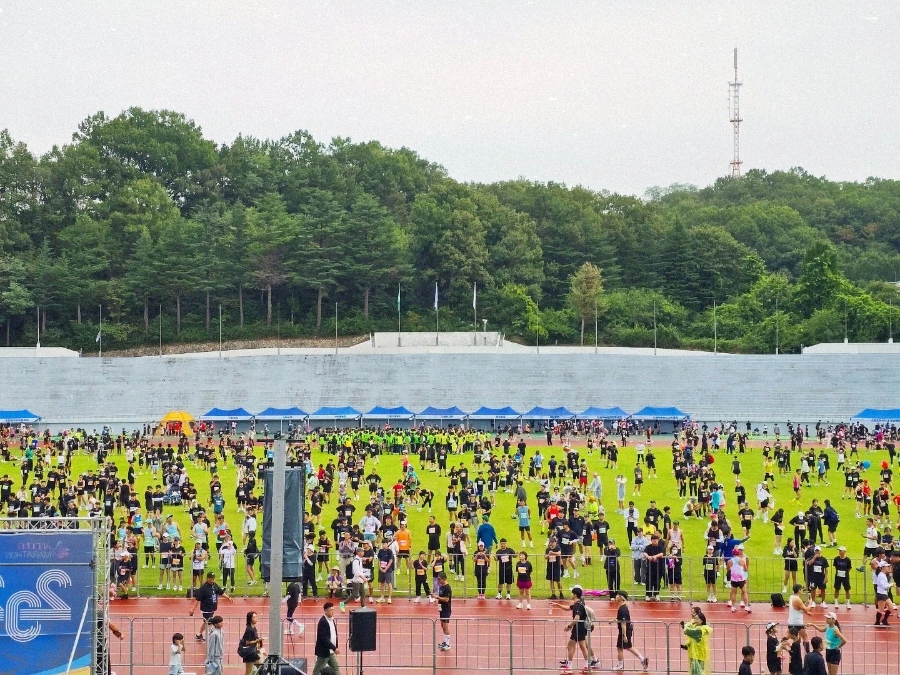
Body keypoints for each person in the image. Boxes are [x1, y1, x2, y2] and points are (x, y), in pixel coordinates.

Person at [550, 586, 598, 671]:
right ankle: (585, 665)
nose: (571, 595)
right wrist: (557, 605)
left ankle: (571, 665)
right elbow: (568, 608)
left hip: (578, 628)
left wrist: (569, 626)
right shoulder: (579, 603)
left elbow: (577, 618)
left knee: (572, 646)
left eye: (572, 593)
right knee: (582, 646)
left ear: (575, 595)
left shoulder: (577, 606)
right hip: (581, 627)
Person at [610, 591, 648, 671]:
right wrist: (614, 620)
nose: (616, 596)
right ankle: (642, 659)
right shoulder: (623, 607)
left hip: (625, 631)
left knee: (619, 647)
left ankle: (620, 665)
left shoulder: (622, 609)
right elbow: (621, 619)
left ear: (621, 597)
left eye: (617, 595)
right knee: (629, 647)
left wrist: (624, 635)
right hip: (627, 630)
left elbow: (623, 623)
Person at [190, 572, 231, 641]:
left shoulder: (215, 585)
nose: (212, 580)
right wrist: (193, 609)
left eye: (213, 578)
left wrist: (228, 597)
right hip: (206, 608)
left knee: (206, 622)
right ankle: (210, 636)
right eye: (211, 578)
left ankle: (199, 634)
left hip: (212, 608)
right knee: (210, 623)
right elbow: (198, 599)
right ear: (207, 578)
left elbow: (221, 592)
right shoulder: (203, 588)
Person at [313, 602, 341, 675]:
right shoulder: (323, 622)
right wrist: (334, 648)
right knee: (317, 671)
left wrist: (334, 647)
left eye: (333, 610)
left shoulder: (332, 620)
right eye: (331, 610)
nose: (333, 612)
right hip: (324, 652)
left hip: (331, 652)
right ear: (325, 611)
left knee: (336, 669)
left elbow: (333, 634)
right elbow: (324, 638)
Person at [683, 607, 711, 675]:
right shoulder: (704, 627)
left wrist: (685, 626)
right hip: (700, 653)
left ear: (701, 620)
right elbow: (692, 639)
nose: (695, 620)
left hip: (697, 654)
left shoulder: (699, 630)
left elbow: (687, 631)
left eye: (697, 619)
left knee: (696, 672)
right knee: (699, 671)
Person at [787, 584, 811, 654]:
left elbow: (797, 608)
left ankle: (779, 649)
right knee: (805, 637)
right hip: (797, 622)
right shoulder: (797, 599)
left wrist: (806, 612)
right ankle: (807, 653)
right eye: (801, 589)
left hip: (791, 621)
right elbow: (806, 609)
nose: (802, 591)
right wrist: (810, 603)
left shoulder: (791, 597)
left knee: (790, 638)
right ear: (799, 590)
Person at [239, 611, 263, 675]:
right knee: (248, 671)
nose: (256, 619)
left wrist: (258, 646)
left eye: (256, 617)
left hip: (253, 651)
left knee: (260, 665)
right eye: (254, 617)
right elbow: (247, 642)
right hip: (249, 653)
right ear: (250, 619)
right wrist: (257, 640)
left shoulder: (253, 628)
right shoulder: (249, 629)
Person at [435, 571, 452, 651]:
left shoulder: (447, 588)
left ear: (444, 578)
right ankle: (445, 642)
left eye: (440, 579)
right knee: (442, 626)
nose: (439, 581)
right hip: (441, 609)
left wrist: (437, 597)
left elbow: (446, 599)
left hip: (446, 609)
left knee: (445, 626)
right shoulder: (441, 587)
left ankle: (448, 644)